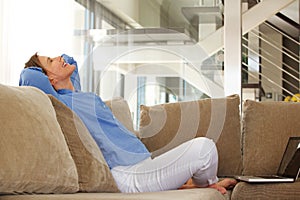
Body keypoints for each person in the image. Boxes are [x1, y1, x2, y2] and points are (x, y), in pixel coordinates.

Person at [19, 53, 237, 194]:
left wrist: (54, 64)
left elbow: (71, 60)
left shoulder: (76, 93)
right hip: (126, 174)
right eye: (50, 61)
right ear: (48, 80)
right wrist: (36, 67)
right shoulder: (62, 103)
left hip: (143, 164)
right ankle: (203, 184)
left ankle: (193, 183)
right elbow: (29, 80)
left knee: (204, 149)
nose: (59, 57)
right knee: (204, 149)